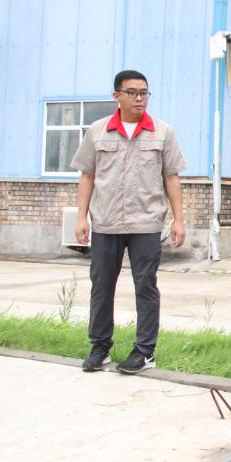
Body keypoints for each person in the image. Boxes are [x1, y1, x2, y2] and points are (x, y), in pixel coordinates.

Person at [72, 70, 187, 374]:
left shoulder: (162, 132)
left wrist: (179, 220)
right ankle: (100, 347)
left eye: (144, 93)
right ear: (117, 96)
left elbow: (171, 177)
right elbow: (87, 175)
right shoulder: (98, 131)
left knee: (145, 286)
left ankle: (144, 352)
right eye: (132, 93)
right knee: (101, 286)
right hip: (106, 223)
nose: (139, 98)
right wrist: (81, 217)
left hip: (146, 224)